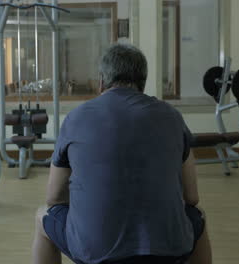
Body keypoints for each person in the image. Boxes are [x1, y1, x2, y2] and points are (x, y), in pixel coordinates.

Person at [32, 44, 212, 264]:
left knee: (43, 216)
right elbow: (192, 197)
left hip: (96, 254)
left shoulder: (76, 118)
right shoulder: (172, 117)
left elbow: (54, 197)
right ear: (143, 83)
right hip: (169, 252)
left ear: (100, 81)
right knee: (199, 215)